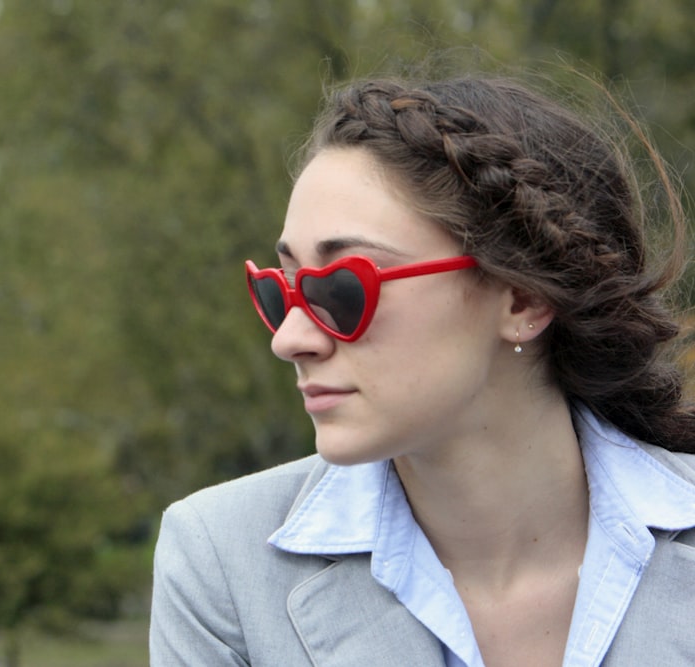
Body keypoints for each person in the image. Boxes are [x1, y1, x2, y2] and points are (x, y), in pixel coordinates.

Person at [149, 73, 695, 666]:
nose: (290, 339)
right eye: (281, 291)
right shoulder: (220, 560)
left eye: (342, 288)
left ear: (522, 299)